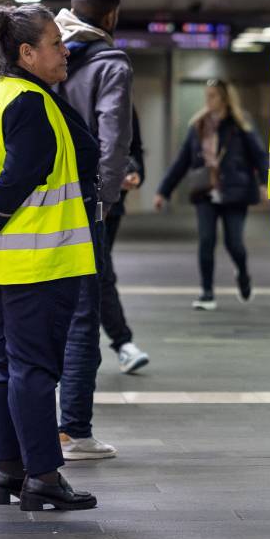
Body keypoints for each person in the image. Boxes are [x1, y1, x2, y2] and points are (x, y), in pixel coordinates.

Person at [0, 2, 100, 512]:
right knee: (35, 371)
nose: (65, 51)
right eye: (56, 44)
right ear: (27, 52)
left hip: (2, 263)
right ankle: (43, 477)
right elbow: (18, 176)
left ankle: (7, 471)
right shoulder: (31, 103)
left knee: (6, 365)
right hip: (38, 261)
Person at [54, 0, 137, 458]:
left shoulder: (45, 55)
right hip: (83, 204)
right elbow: (113, 138)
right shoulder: (111, 65)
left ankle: (38, 425)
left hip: (39, 203)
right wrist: (104, 201)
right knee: (85, 315)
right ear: (110, 17)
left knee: (45, 314)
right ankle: (74, 431)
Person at [155, 80, 267, 311]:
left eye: (213, 95)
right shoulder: (198, 124)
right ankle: (207, 292)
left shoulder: (240, 122)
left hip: (235, 191)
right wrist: (163, 191)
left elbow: (259, 155)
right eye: (207, 95)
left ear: (225, 98)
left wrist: (266, 183)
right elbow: (182, 160)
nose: (208, 100)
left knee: (234, 242)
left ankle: (243, 274)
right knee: (206, 241)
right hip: (205, 192)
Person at [102, 107, 147, 370]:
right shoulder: (67, 91)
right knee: (98, 273)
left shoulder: (124, 106)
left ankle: (123, 344)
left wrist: (135, 173)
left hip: (111, 204)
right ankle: (122, 342)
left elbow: (135, 149)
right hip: (74, 201)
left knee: (100, 272)